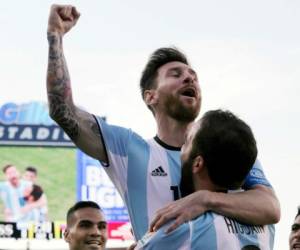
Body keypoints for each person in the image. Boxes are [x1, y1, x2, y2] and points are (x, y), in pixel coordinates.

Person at [46, 4, 280, 240]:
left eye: (193, 76)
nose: (190, 77)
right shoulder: (130, 151)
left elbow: (270, 208)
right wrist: (55, 37)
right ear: (151, 96)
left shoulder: (227, 145)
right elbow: (63, 111)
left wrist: (203, 200)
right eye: (176, 74)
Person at [135, 109, 275, 249]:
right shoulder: (267, 225)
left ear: (197, 163)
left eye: (188, 141)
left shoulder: (181, 230)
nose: (182, 148)